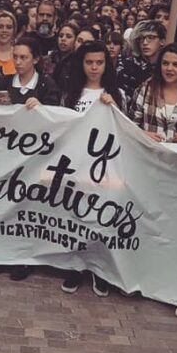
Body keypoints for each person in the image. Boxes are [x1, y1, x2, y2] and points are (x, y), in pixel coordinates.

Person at [59, 40, 123, 298]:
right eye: (89, 62)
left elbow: (125, 130)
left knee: (100, 217)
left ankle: (99, 269)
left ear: (106, 65)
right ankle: (75, 266)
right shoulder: (71, 94)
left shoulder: (116, 94)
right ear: (81, 64)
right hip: (76, 163)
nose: (94, 68)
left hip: (105, 165)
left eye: (99, 63)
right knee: (75, 216)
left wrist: (115, 109)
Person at [116, 21, 166, 110]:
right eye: (141, 39)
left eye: (151, 37)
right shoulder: (127, 66)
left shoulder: (166, 67)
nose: (145, 42)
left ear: (162, 41)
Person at [0, 10, 18, 75]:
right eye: (0, 27)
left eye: (9, 27)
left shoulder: (19, 53)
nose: (4, 30)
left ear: (14, 30)